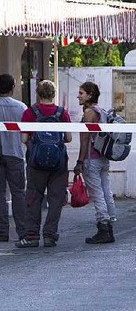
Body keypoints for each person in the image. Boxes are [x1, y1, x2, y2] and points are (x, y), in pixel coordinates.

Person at [16, 80, 72, 248]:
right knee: (56, 199)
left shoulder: (29, 113)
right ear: (53, 94)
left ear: (38, 94)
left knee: (33, 197)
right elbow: (68, 138)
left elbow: (24, 139)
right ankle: (49, 235)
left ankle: (32, 236)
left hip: (36, 164)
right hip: (59, 164)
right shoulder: (62, 113)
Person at [0, 74, 28, 243]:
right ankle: (23, 231)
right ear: (13, 87)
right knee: (18, 193)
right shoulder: (22, 107)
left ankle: (2, 230)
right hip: (16, 153)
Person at [73, 81, 116, 244]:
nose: (78, 96)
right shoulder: (101, 111)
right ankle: (109, 224)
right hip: (103, 158)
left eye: (81, 93)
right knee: (106, 192)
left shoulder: (90, 112)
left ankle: (103, 227)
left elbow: (85, 140)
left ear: (90, 95)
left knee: (97, 194)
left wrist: (80, 161)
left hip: (92, 160)